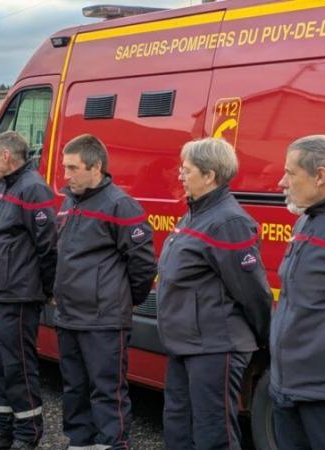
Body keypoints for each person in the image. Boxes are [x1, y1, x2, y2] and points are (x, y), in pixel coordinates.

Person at [157, 138, 271, 450]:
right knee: (178, 429)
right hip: (186, 342)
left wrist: (265, 337)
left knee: (213, 435)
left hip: (215, 346)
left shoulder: (228, 222)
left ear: (210, 175)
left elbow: (253, 292)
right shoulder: (197, 212)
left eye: (187, 169)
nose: (181, 175)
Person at [54, 134, 156, 450]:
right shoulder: (70, 201)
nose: (66, 175)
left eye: (73, 168)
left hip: (104, 321)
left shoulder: (121, 206)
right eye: (65, 167)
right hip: (70, 317)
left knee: (107, 392)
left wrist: (124, 301)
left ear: (96, 166)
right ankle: (80, 443)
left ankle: (113, 444)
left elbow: (142, 265)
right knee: (74, 389)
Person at [0, 131, 57, 450]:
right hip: (5, 293)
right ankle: (3, 430)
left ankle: (27, 433)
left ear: (7, 156)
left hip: (22, 295)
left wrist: (47, 288)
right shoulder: (11, 186)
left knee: (19, 365)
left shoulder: (33, 188)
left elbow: (47, 245)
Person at [271, 135, 325, 449]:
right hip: (286, 386)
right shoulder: (304, 221)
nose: (281, 182)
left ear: (319, 176)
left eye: (291, 174)